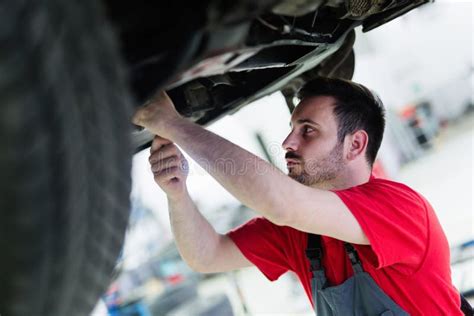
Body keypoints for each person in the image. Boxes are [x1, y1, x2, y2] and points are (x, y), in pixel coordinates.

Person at [132, 77, 464, 315]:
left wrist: (173, 124)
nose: (288, 142)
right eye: (292, 128)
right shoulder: (301, 234)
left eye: (308, 130)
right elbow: (207, 256)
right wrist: (177, 195)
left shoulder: (399, 207)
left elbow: (281, 203)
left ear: (356, 145)